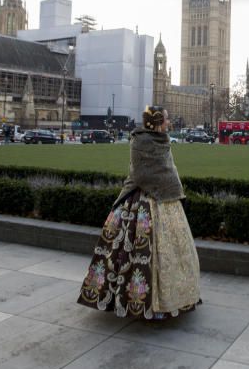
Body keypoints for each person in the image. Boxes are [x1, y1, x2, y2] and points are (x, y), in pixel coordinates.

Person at [77, 105, 201, 320]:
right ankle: (137, 301)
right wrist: (167, 187)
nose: (169, 123)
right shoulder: (140, 141)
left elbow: (167, 172)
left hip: (165, 200)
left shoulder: (163, 141)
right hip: (143, 202)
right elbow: (142, 174)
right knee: (133, 253)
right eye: (167, 120)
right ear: (158, 122)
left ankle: (172, 297)